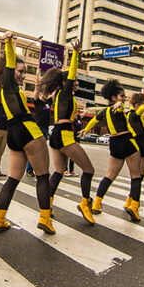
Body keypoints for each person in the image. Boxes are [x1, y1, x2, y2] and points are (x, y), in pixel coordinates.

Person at [0, 31, 54, 235]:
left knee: (13, 179)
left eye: (24, 71)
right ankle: (45, 218)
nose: (22, 74)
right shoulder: (8, 85)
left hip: (14, 135)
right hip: (27, 130)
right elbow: (9, 61)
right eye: (19, 71)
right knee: (43, 176)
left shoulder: (5, 89)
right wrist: (10, 43)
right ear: (8, 71)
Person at [39, 39, 95, 225]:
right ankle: (85, 204)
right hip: (63, 135)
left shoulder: (59, 96)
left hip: (57, 134)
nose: (76, 82)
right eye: (75, 81)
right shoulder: (64, 93)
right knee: (89, 169)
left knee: (58, 172)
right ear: (65, 82)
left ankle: (47, 206)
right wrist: (76, 54)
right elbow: (71, 74)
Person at [79, 78, 143, 222]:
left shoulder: (104, 111)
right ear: (113, 97)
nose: (124, 98)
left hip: (114, 143)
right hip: (127, 141)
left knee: (109, 176)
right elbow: (119, 107)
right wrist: (120, 104)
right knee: (136, 176)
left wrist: (86, 130)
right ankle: (134, 207)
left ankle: (96, 203)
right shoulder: (118, 107)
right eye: (122, 96)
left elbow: (94, 120)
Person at [27, 72, 52, 177]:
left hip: (46, 128)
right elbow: (36, 89)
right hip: (38, 127)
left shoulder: (48, 103)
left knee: (42, 150)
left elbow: (55, 93)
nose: (45, 95)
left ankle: (41, 170)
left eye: (46, 94)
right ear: (41, 94)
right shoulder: (38, 102)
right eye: (43, 94)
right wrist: (37, 74)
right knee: (35, 149)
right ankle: (29, 169)